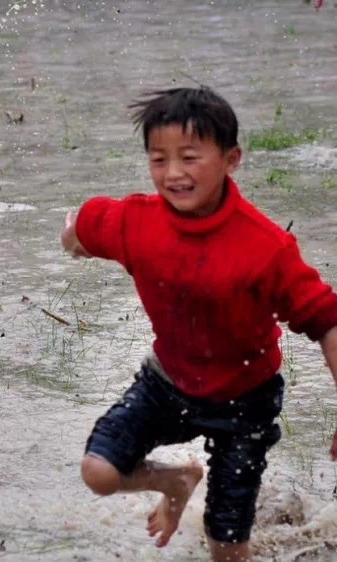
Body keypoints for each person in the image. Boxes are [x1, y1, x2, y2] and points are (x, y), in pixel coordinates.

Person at [60, 87, 337, 562]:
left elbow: (327, 320)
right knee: (98, 471)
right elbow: (80, 227)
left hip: (245, 403)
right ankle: (175, 480)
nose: (173, 174)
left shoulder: (265, 247)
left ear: (231, 159)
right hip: (167, 383)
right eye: (158, 158)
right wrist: (74, 240)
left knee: (227, 548)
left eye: (189, 157)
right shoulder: (135, 222)